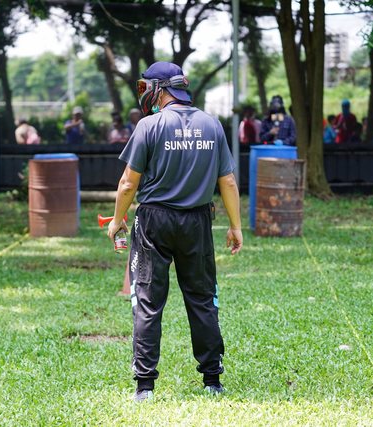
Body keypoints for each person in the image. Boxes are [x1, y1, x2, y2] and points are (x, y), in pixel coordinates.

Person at [107, 61, 243, 402]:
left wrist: (116, 220)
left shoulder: (148, 126)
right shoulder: (212, 125)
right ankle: (212, 380)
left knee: (148, 302)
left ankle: (145, 387)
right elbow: (226, 180)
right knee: (202, 298)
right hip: (197, 221)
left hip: (154, 221)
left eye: (146, 87)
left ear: (161, 88)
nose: (144, 94)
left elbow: (127, 184)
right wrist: (235, 226)